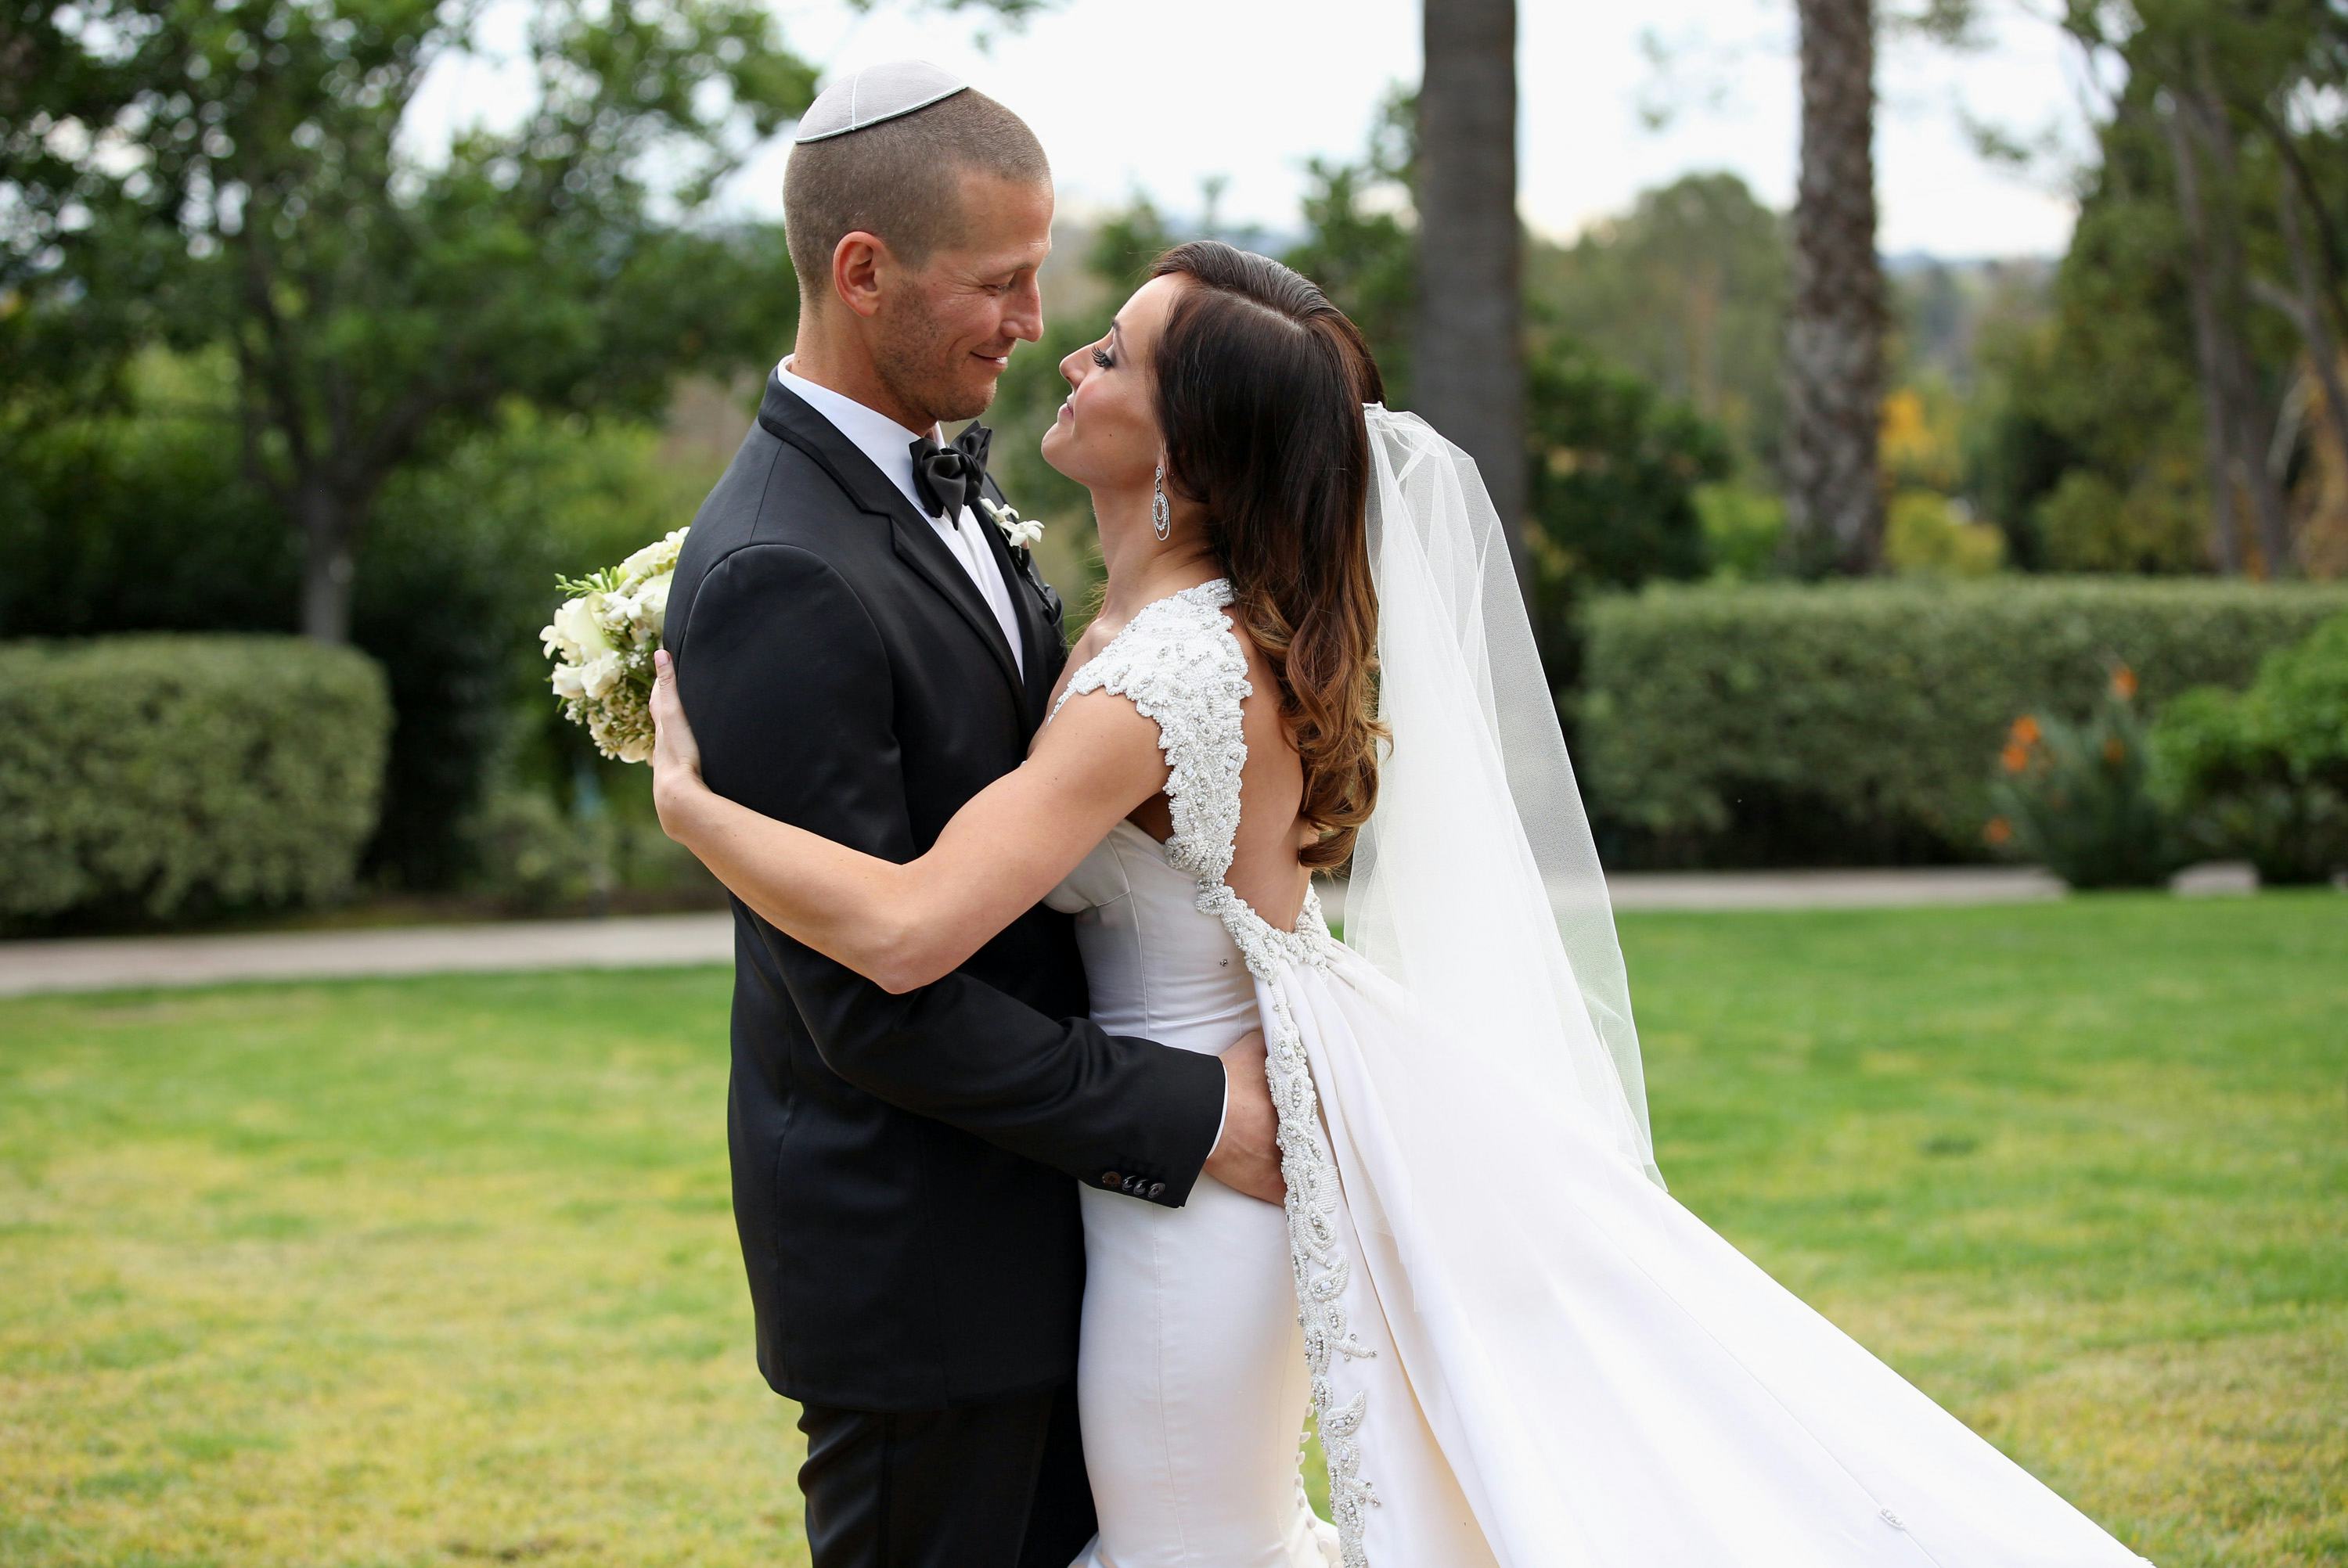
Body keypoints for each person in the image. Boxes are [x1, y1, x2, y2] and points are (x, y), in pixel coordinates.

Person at [652, 222, 2164, 1563]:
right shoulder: (1153, 625)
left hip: (1198, 1197)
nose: (1071, 351)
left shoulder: (1167, 675)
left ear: (1185, 448)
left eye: (1115, 351)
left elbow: (913, 927)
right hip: (1177, 1154)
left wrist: (693, 807)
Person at [660, 63, 1284, 1568]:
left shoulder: (941, 491)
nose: (1033, 322)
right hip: (923, 1282)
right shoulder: (780, 569)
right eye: (1001, 282)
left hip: (1073, 1238)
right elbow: (875, 1007)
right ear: (863, 274)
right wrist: (1200, 1115)